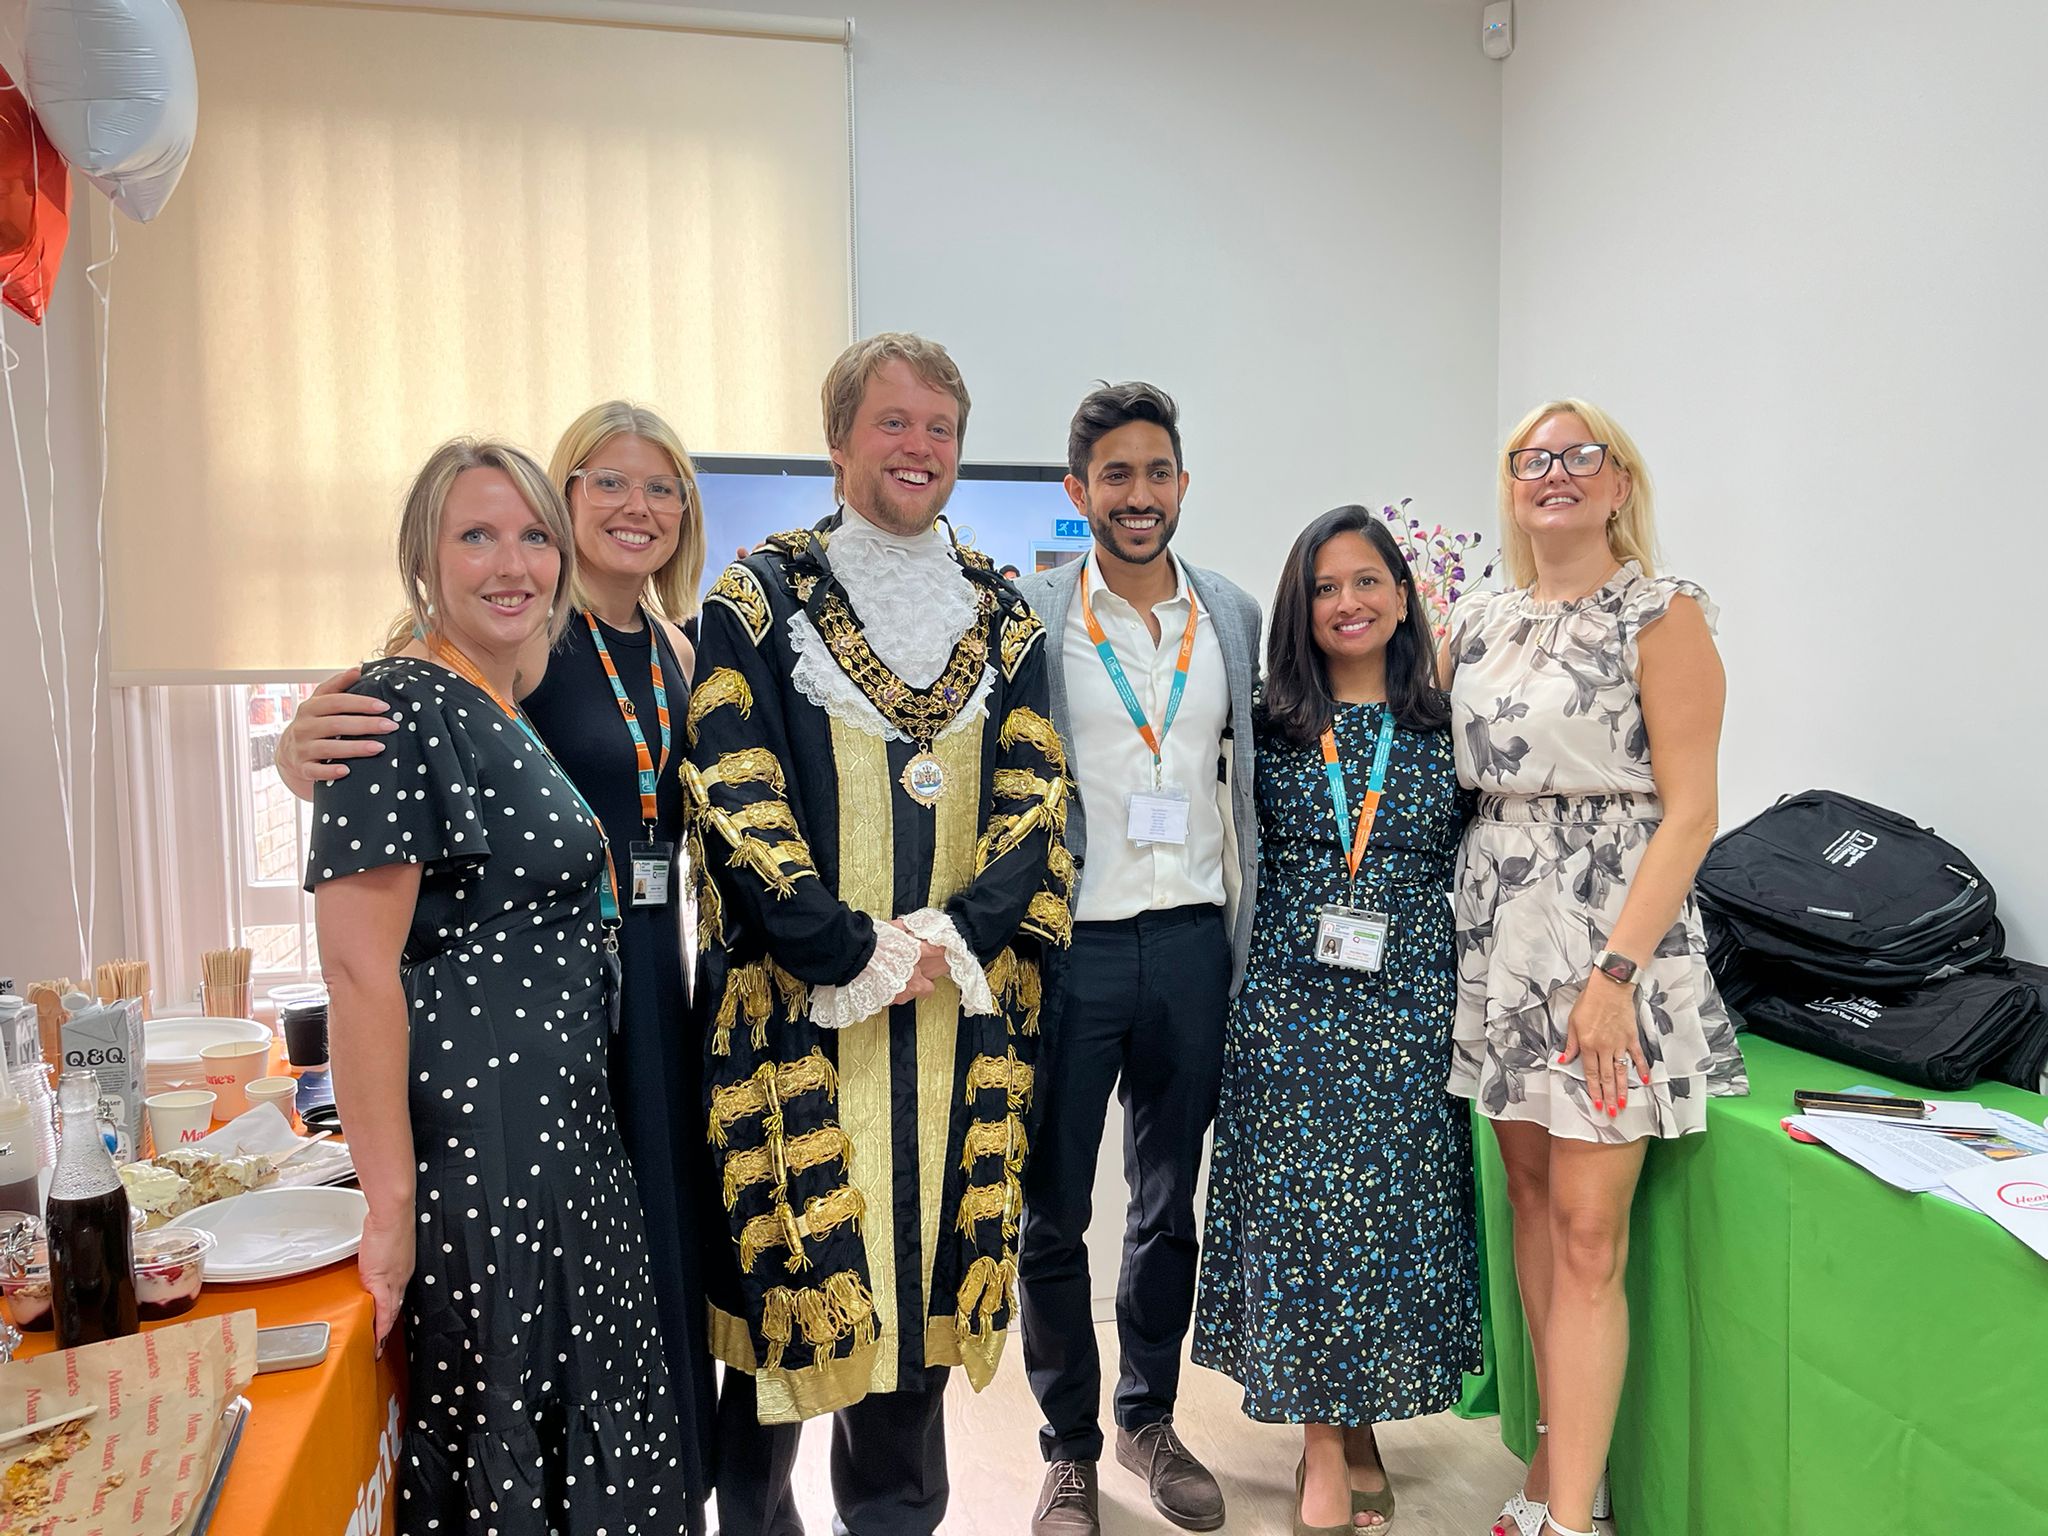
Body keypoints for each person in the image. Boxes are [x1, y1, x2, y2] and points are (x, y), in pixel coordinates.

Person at [277, 402, 718, 1528]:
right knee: (509, 1443)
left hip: (566, 1126)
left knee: (578, 1436)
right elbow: (361, 975)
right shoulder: (392, 702)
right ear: (424, 556)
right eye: (477, 537)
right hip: (492, 1149)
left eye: (529, 539)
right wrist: (389, 1208)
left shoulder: (504, 693)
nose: (511, 562)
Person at [688, 332, 1069, 1536]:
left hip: (955, 1017)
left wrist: (951, 940)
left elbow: (1036, 797)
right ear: (839, 438)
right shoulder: (755, 598)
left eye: (939, 429)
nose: (918, 449)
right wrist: (845, 948)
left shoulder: (1003, 612)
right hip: (798, 1010)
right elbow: (730, 785)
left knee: (912, 1331)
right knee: (775, 1339)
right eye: (892, 424)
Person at [1441, 399, 1747, 1536]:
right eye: (1532, 458)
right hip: (1499, 936)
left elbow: (1692, 812)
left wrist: (1613, 975)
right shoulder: (1476, 620)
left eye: (1579, 456)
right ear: (1512, 483)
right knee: (1525, 1198)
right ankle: (1563, 1462)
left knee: (1583, 1230)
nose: (1553, 473)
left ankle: (1571, 1524)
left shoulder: (1661, 613)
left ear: (1619, 482)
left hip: (1608, 941)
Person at [1193, 507, 1480, 1534]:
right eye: (1323, 588)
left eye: (1365, 582)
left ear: (1401, 597)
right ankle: (1321, 1444)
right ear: (1298, 610)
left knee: (1385, 1222)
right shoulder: (1263, 724)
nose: (1346, 603)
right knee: (1304, 1221)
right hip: (1287, 1008)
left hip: (1407, 1006)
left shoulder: (1447, 723)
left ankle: (1354, 1425)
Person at [1014, 382, 1262, 1536]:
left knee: (1168, 1204)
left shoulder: (1229, 611)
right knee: (1052, 1206)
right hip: (1074, 948)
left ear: (1180, 481)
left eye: (1155, 471)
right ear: (1079, 493)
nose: (1137, 495)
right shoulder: (1030, 615)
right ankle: (1066, 1447)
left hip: (1191, 948)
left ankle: (1146, 1418)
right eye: (1114, 475)